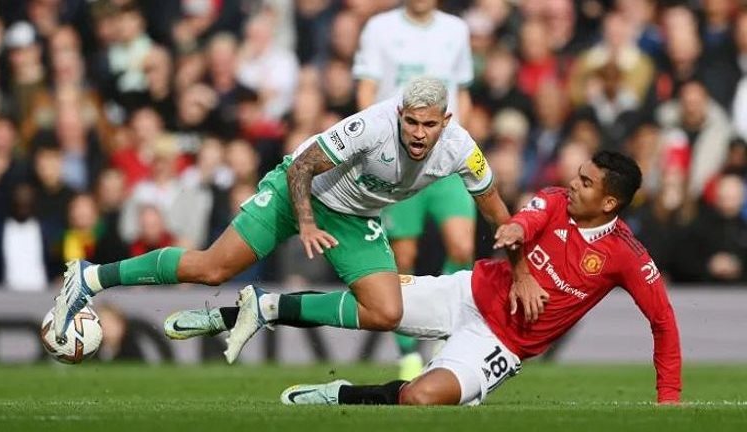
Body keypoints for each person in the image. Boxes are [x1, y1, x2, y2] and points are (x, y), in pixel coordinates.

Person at [51, 77, 541, 361]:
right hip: (296, 192)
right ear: (399, 114)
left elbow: (499, 215)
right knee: (212, 268)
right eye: (410, 122)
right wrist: (305, 223)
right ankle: (90, 277)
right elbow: (303, 166)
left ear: (445, 123)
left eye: (428, 125)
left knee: (386, 312)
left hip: (355, 217)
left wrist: (520, 271)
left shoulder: (461, 151)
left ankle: (266, 307)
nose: (417, 133)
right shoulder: (372, 125)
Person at [273, 151, 681, 406]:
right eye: (578, 174)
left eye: (586, 182)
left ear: (609, 202)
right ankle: (270, 306)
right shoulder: (554, 199)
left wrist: (668, 398)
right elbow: (525, 221)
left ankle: (340, 394)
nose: (573, 183)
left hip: (500, 344)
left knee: (421, 397)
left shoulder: (627, 256)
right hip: (466, 291)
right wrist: (515, 234)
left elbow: (663, 321)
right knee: (377, 301)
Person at [353, 0, 476, 379]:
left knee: (462, 246)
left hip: (445, 158)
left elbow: (462, 92)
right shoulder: (379, 28)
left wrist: (462, 139)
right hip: (399, 162)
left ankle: (444, 334)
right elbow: (366, 91)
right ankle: (407, 354)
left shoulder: (456, 29)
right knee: (402, 257)